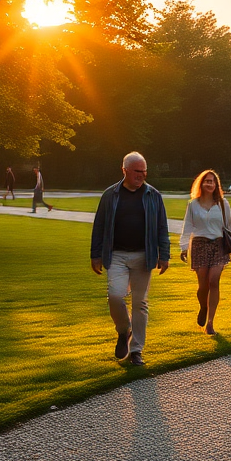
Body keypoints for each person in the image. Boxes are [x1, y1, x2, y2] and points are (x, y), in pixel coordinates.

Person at [90, 152, 170, 367]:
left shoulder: (153, 195)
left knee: (140, 303)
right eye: (137, 171)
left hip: (144, 257)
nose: (141, 175)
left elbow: (162, 227)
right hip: (116, 255)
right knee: (115, 296)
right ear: (124, 170)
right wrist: (95, 254)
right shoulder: (110, 195)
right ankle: (124, 330)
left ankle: (136, 350)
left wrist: (165, 255)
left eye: (144, 171)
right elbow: (99, 226)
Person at [180, 169, 231, 336]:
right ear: (201, 184)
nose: (209, 184)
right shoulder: (193, 204)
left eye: (212, 181)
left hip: (219, 245)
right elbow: (187, 227)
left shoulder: (223, 204)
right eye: (207, 181)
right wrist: (184, 247)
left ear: (216, 185)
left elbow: (229, 225)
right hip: (199, 244)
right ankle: (203, 306)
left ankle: (210, 323)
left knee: (214, 281)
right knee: (203, 286)